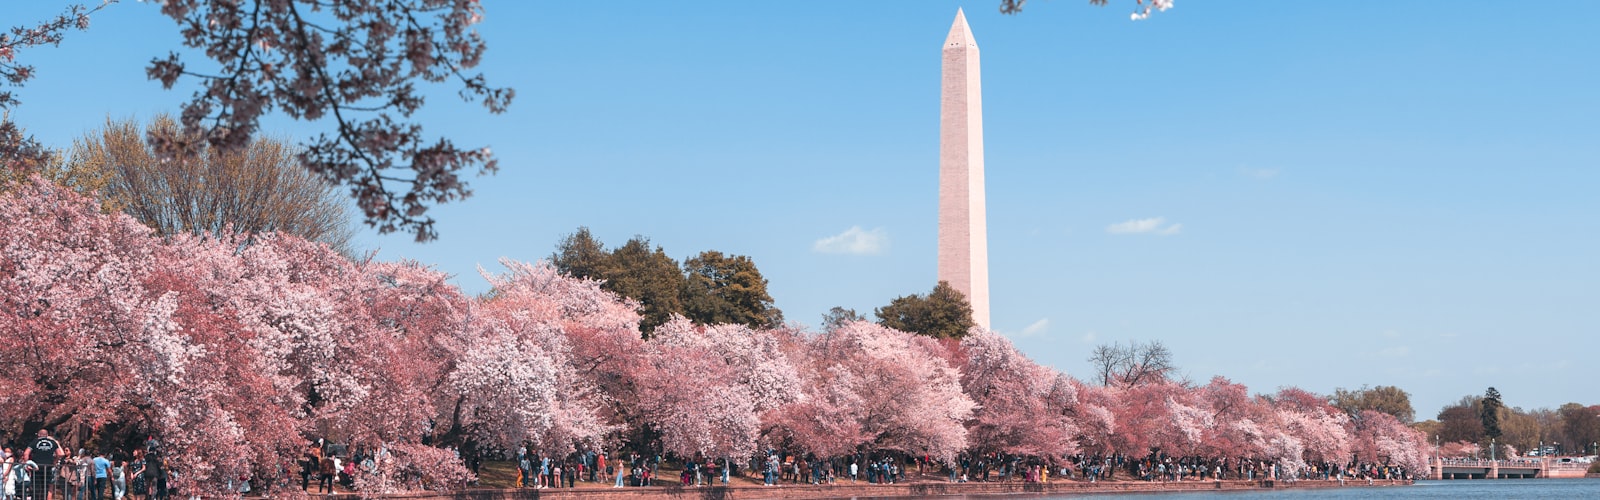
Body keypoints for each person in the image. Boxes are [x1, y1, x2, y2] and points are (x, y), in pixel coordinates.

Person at [25, 430, 64, 500]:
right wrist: (55, 462)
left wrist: (27, 464)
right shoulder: (53, 442)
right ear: (47, 435)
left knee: (36, 486)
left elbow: (26, 453)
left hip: (36, 467)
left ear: (39, 435)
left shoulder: (35, 441)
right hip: (48, 467)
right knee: (45, 487)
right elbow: (60, 454)